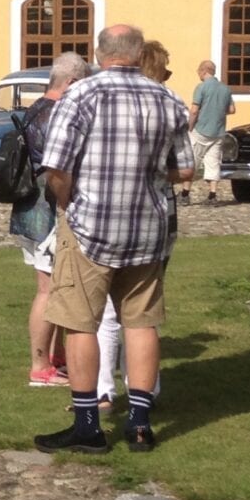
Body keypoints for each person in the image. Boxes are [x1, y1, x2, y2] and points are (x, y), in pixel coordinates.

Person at [35, 24, 193, 454]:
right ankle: (140, 423)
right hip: (148, 226)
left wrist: (67, 204)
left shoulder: (81, 95)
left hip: (91, 224)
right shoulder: (167, 98)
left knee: (79, 321)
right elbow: (186, 170)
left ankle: (88, 424)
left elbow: (57, 167)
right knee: (141, 321)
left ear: (98, 53)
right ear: (139, 53)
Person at [95, 41, 179, 410]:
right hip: (154, 217)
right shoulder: (167, 102)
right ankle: (144, 392)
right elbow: (185, 166)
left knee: (106, 314)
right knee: (142, 312)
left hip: (104, 216)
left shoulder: (102, 97)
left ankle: (101, 392)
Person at [12, 53, 91, 387]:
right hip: (45, 212)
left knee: (54, 288)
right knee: (48, 289)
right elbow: (57, 169)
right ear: (71, 82)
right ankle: (40, 367)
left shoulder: (35, 109)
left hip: (32, 209)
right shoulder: (54, 114)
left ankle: (56, 358)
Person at [186, 59, 235, 205]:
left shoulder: (201, 87)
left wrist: (189, 127)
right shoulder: (225, 88)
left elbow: (194, 111)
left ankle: (184, 194)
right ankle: (212, 195)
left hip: (201, 130)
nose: (198, 74)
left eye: (199, 72)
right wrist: (218, 111)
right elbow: (232, 110)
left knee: (192, 161)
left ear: (203, 71)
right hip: (218, 131)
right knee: (213, 163)